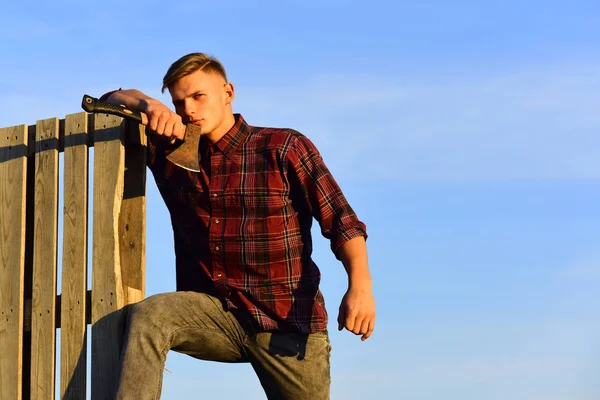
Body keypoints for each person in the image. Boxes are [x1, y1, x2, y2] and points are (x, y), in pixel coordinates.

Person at [101, 52, 376, 400]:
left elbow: (342, 221)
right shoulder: (172, 153)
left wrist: (360, 287)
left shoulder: (282, 148)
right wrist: (149, 105)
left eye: (199, 96)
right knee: (151, 316)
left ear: (228, 93)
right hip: (216, 316)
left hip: (287, 326)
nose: (189, 110)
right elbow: (106, 101)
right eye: (179, 101)